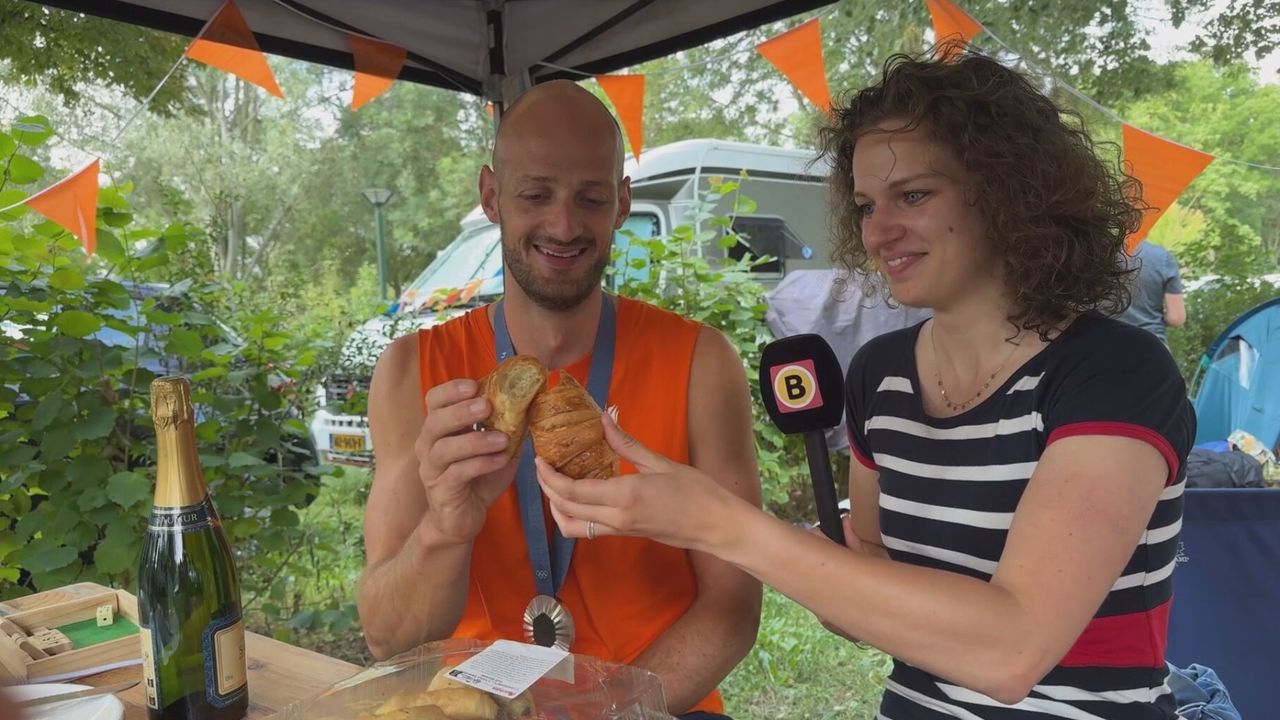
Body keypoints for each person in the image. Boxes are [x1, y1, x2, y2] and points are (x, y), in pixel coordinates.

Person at [536, 51, 1195, 719]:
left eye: (913, 195)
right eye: (864, 205)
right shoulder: (881, 376)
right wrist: (817, 568)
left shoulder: (1114, 372)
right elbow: (866, 601)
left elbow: (1010, 652)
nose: (878, 231)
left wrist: (719, 524)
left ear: (1008, 193)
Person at [356, 79, 762, 719]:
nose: (564, 225)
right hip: (475, 706)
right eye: (535, 194)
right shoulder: (415, 373)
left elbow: (733, 607)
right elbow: (389, 637)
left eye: (591, 197)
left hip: (658, 705)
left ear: (622, 202)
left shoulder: (701, 362)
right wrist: (445, 527)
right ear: (491, 196)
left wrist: (615, 712)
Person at [1116, 239, 1186, 345]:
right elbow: (1176, 318)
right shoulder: (1163, 258)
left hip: (1102, 346)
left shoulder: (1093, 257)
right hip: (1152, 344)